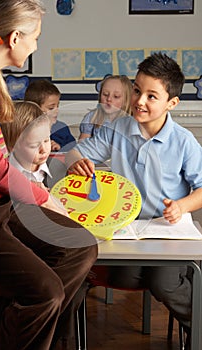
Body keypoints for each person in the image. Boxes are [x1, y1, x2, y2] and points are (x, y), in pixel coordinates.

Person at [0, 2, 97, 350]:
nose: (36, 45)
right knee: (46, 293)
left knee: (80, 245)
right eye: (35, 38)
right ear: (14, 38)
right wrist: (45, 197)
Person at [66, 52, 202, 339]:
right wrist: (74, 161)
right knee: (105, 272)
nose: (140, 101)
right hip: (124, 230)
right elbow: (76, 152)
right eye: (138, 91)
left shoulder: (183, 142)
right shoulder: (116, 129)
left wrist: (181, 206)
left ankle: (198, 329)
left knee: (164, 281)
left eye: (152, 96)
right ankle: (59, 335)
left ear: (172, 103)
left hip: (166, 233)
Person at [24, 79, 77, 151]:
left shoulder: (62, 128)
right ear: (34, 108)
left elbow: (73, 147)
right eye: (51, 108)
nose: (57, 110)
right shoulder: (25, 128)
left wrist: (60, 147)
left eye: (58, 106)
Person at [78, 75, 132, 141]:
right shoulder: (92, 117)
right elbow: (82, 144)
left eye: (116, 96)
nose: (109, 99)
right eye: (105, 94)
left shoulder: (131, 122)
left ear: (126, 100)